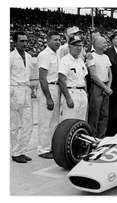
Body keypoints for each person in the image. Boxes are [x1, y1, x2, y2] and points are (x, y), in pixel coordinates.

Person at [37, 31, 61, 159]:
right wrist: (48, 98)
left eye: (59, 40)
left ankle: (51, 147)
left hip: (56, 87)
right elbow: (42, 78)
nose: (58, 42)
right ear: (48, 40)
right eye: (55, 40)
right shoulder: (45, 55)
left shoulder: (56, 54)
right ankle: (43, 149)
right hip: (48, 88)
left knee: (54, 122)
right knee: (45, 121)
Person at [10, 31, 33, 163]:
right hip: (14, 90)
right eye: (21, 41)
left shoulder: (29, 57)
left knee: (27, 123)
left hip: (26, 90)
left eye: (26, 41)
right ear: (15, 42)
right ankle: (15, 152)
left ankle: (22, 150)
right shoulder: (10, 57)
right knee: (14, 125)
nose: (25, 43)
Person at [87, 36, 112, 138]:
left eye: (106, 43)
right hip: (96, 87)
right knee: (95, 115)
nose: (106, 45)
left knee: (104, 115)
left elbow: (110, 73)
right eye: (103, 43)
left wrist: (108, 87)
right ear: (96, 45)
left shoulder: (106, 57)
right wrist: (105, 88)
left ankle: (101, 137)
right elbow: (93, 75)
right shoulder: (91, 56)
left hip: (106, 86)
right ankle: (92, 138)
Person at [58, 35, 88, 121]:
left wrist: (85, 93)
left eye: (80, 46)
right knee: (69, 120)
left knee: (81, 120)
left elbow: (84, 78)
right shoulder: (65, 60)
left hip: (81, 92)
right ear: (69, 46)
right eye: (75, 45)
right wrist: (68, 98)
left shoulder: (81, 60)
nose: (78, 48)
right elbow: (61, 80)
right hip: (71, 92)